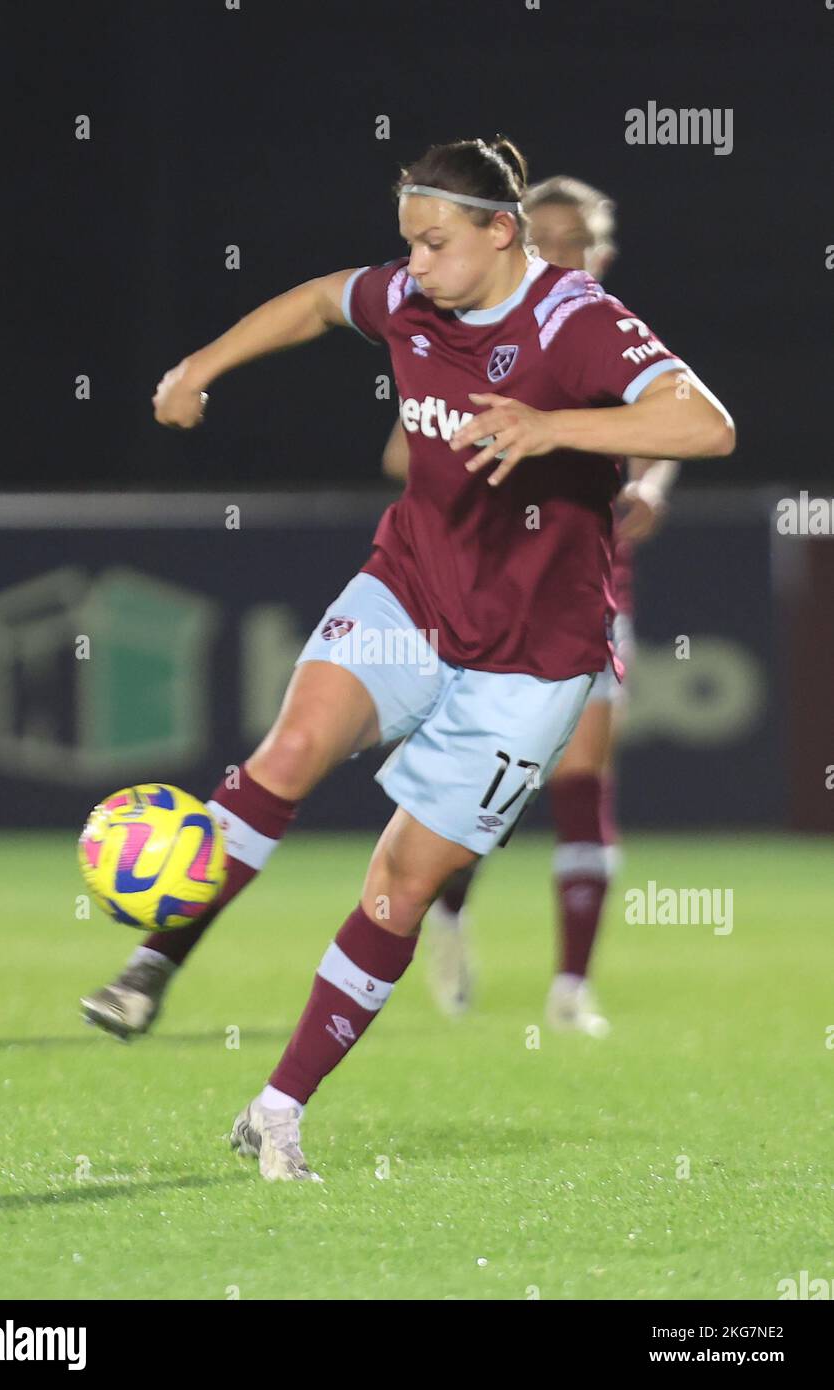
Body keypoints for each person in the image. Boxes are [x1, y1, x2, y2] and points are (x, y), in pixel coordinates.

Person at [81, 136, 734, 1180]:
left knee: (399, 887)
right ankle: (158, 954)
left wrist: (551, 424)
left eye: (432, 244)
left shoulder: (575, 320)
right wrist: (199, 365)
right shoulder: (409, 295)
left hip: (531, 658)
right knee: (288, 750)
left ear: (498, 232)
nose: (413, 267)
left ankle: (280, 1106)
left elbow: (707, 426)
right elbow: (311, 303)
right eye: (406, 245)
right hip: (410, 594)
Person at [380, 175, 679, 1032]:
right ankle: (445, 912)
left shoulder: (601, 330)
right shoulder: (466, 325)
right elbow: (404, 450)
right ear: (511, 238)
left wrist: (648, 484)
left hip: (581, 592)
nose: (560, 251)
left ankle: (570, 987)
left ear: (602, 250)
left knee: (583, 780)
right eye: (544, 235)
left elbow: (673, 422)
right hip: (479, 591)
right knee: (484, 795)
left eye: (576, 238)